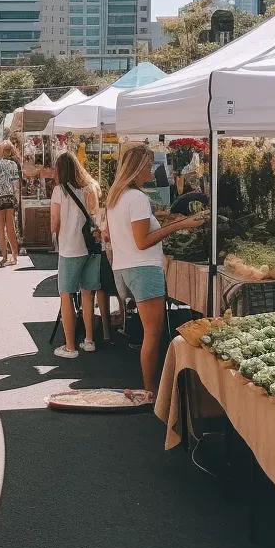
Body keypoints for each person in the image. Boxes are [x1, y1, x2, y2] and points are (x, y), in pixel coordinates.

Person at [106, 143, 205, 394]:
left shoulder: (116, 197)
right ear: (138, 168)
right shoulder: (137, 198)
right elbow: (143, 242)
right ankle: (151, 390)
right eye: (149, 166)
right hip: (143, 269)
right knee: (152, 333)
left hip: (125, 268)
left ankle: (152, 388)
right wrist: (180, 225)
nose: (151, 171)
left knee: (149, 332)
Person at [50, 152, 103, 359]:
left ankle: (70, 346)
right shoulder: (90, 188)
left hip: (70, 248)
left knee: (66, 295)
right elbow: (96, 217)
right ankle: (89, 340)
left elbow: (54, 224)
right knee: (88, 293)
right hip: (91, 247)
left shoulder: (59, 191)